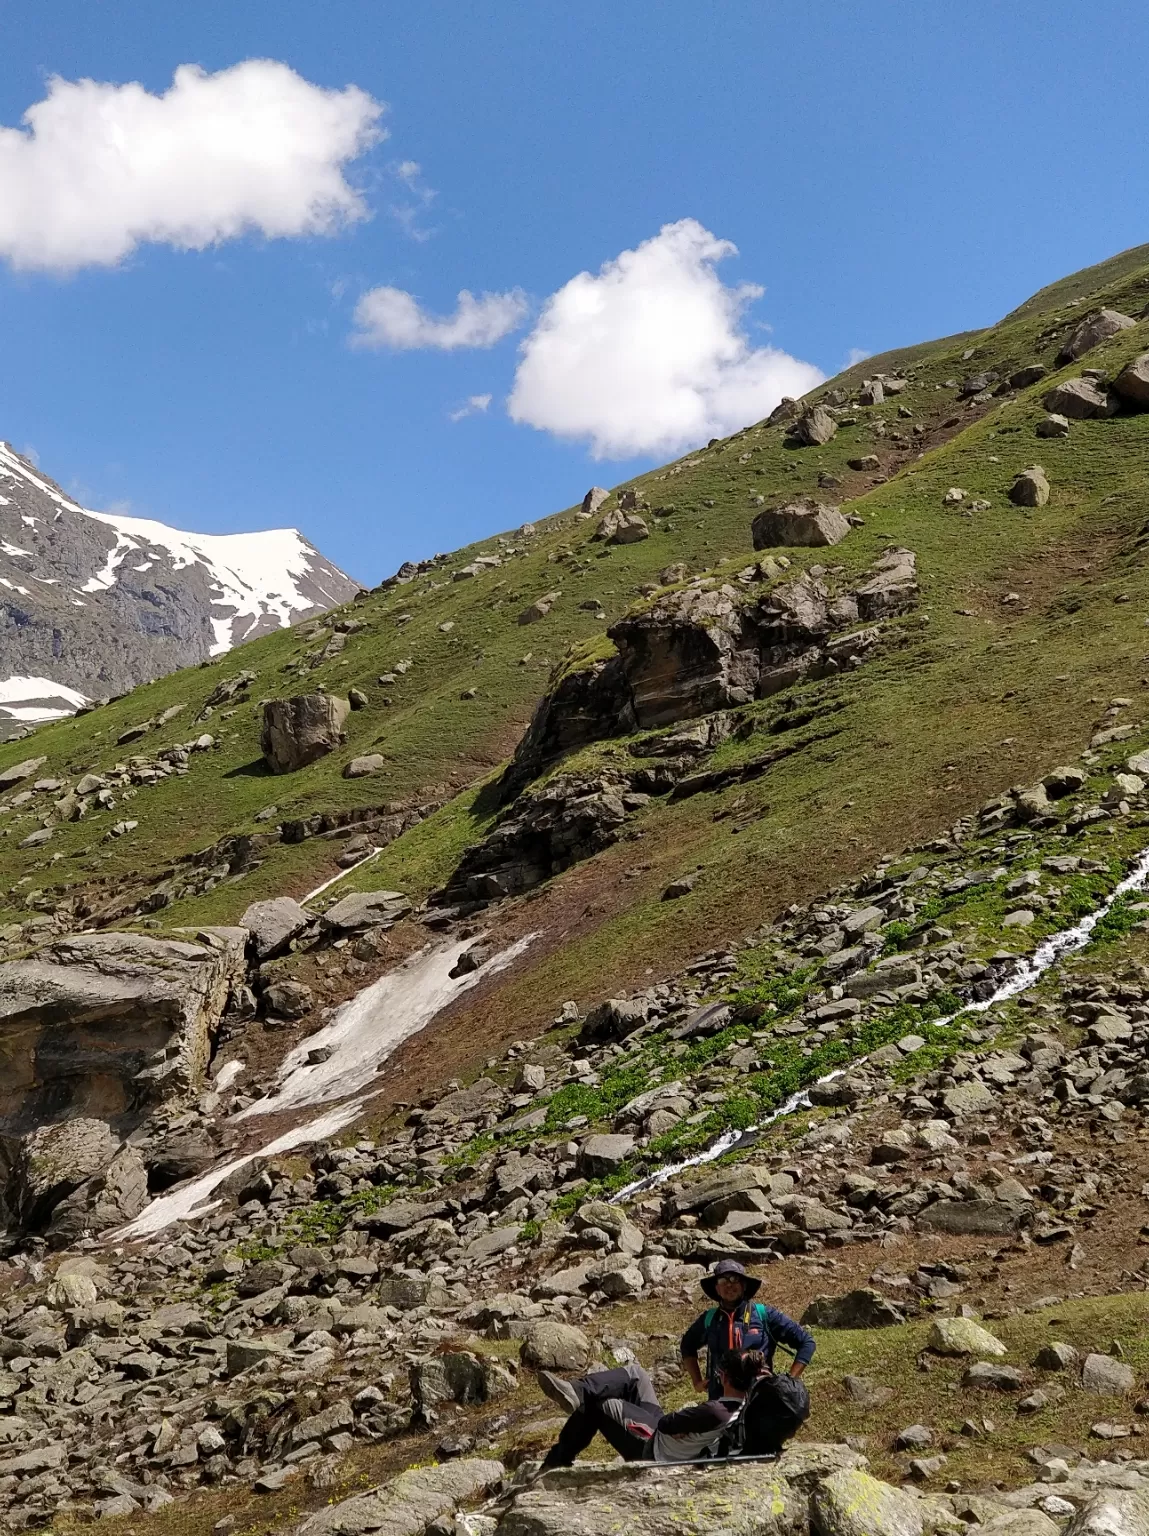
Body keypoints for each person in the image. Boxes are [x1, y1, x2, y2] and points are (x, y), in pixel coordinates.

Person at [537, 1349, 769, 1469]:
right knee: (637, 1374)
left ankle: (557, 1460)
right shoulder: (743, 1407)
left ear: (724, 1376)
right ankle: (575, 1390)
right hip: (667, 1436)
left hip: (655, 1449)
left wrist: (682, 1423)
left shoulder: (715, 1411)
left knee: (601, 1403)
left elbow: (668, 1424)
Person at [679, 1259, 815, 1399]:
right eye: (722, 1280)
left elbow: (806, 1342)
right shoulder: (709, 1319)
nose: (729, 1284)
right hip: (720, 1402)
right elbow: (687, 1345)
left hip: (758, 1402)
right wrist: (697, 1382)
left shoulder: (764, 1315)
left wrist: (790, 1382)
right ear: (716, 1289)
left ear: (744, 1285)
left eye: (734, 1279)